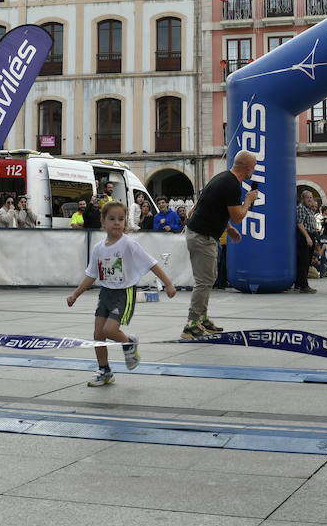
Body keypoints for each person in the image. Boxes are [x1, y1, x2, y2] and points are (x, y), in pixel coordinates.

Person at [67, 201, 177, 386]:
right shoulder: (98, 249)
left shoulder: (129, 244)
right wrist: (75, 295)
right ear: (103, 222)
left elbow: (151, 263)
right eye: (112, 219)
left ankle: (129, 343)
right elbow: (91, 275)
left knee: (109, 330)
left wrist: (168, 284)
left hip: (123, 293)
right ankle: (104, 371)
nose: (117, 222)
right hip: (105, 294)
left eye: (121, 219)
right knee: (98, 335)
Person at [182, 150, 259, 339]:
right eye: (253, 167)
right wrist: (248, 200)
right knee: (204, 281)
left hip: (201, 233)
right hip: (202, 236)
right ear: (247, 168)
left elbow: (212, 208)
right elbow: (238, 216)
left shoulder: (224, 178)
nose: (254, 171)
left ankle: (202, 318)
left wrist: (229, 229)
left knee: (209, 278)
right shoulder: (232, 185)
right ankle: (191, 324)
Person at [293, 190, 321, 294]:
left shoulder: (309, 209)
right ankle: (304, 286)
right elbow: (299, 223)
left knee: (307, 261)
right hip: (304, 236)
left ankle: (299, 284)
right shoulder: (301, 208)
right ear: (303, 199)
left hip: (311, 235)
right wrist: (307, 237)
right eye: (307, 197)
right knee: (303, 262)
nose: (310, 199)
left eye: (311, 197)